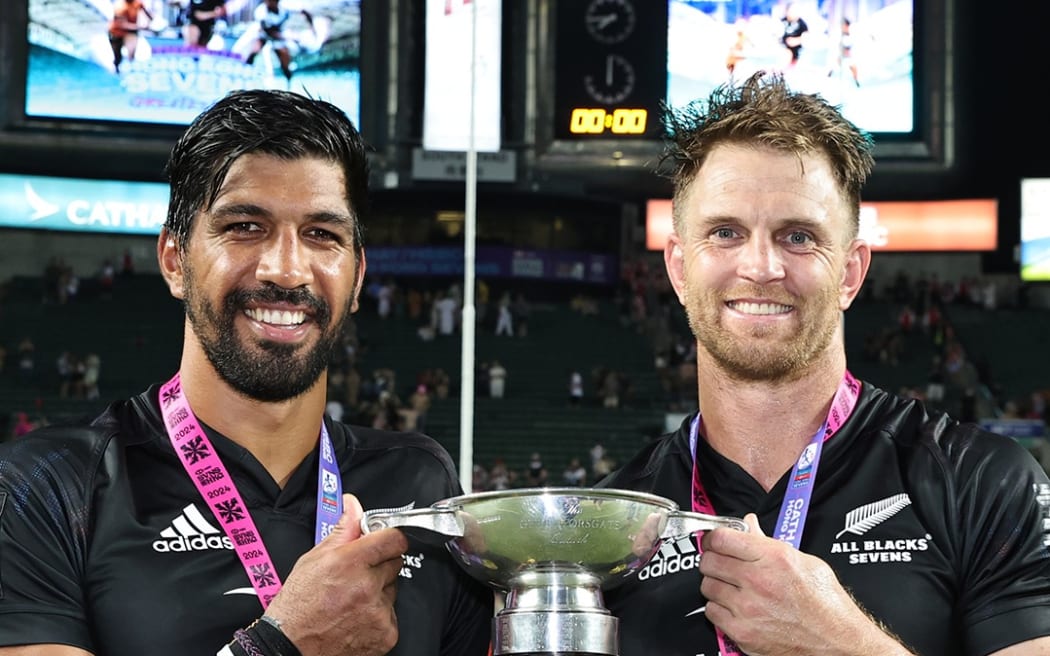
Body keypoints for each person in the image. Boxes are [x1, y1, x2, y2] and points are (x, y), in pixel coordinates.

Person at [0, 89, 494, 655]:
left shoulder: (418, 483)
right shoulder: (44, 488)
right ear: (174, 260)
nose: (286, 269)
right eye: (244, 226)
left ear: (357, 278)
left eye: (321, 234)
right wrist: (280, 645)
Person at [597, 71, 1050, 655]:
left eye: (799, 237)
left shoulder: (984, 484)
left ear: (852, 272)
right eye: (726, 232)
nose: (761, 267)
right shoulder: (614, 520)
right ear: (680, 269)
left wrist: (842, 644)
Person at [244, 0, 315, 83]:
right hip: (265, 34)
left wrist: (312, 28)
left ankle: (289, 82)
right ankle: (246, 73)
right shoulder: (261, 12)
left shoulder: (285, 6)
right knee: (254, 52)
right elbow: (268, 32)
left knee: (284, 62)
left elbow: (305, 11)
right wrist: (289, 37)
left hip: (279, 34)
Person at [108, 0, 154, 74]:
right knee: (117, 56)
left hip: (131, 31)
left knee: (131, 51)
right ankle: (117, 69)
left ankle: (130, 68)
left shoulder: (138, 3)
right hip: (116, 32)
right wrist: (141, 27)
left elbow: (149, 15)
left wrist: (152, 21)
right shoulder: (120, 6)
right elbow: (121, 25)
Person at [780, 2, 808, 68]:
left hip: (797, 50)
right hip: (784, 49)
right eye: (791, 11)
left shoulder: (801, 23)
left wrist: (797, 40)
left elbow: (806, 36)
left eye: (796, 11)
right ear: (786, 11)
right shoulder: (782, 21)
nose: (794, 13)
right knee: (786, 54)